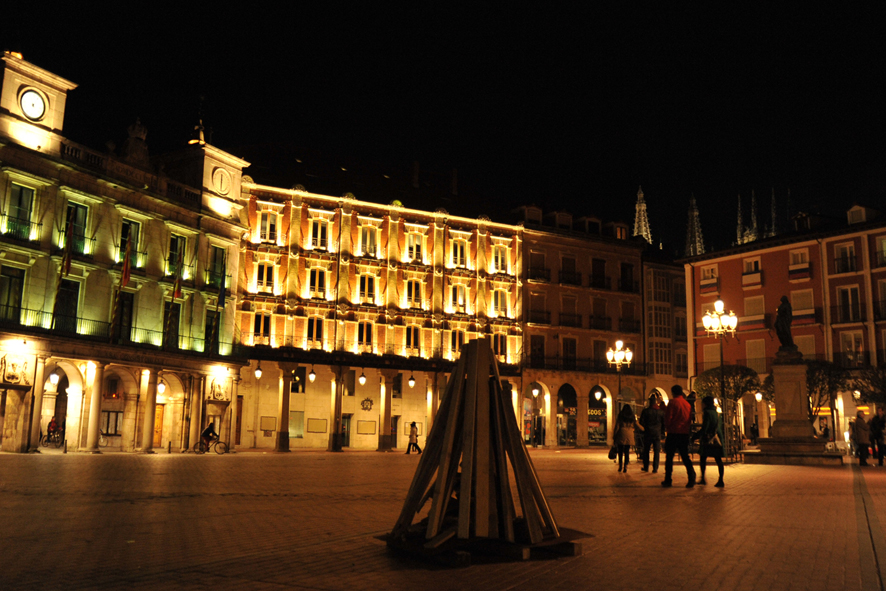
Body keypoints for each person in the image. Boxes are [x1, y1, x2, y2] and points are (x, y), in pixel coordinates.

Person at [662, 385, 696, 488]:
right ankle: (691, 476)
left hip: (673, 432)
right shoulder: (687, 404)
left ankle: (668, 479)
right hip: (684, 433)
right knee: (685, 456)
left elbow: (668, 418)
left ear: (673, 392)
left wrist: (667, 427)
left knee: (669, 458)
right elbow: (689, 419)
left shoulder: (672, 403)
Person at [692, 396, 725, 487]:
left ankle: (703, 478)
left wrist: (695, 436)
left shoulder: (707, 413)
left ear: (705, 403)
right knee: (718, 460)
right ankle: (721, 479)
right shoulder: (717, 413)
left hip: (709, 438)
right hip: (717, 438)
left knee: (703, 458)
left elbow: (705, 427)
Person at [639, 393, 665, 473]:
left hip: (648, 432)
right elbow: (663, 423)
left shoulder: (646, 411)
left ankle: (646, 466)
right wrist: (662, 433)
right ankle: (655, 468)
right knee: (656, 451)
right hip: (657, 433)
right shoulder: (661, 412)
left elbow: (641, 422)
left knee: (646, 450)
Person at [614, 405, 643, 473]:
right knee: (627, 452)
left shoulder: (620, 416)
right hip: (629, 434)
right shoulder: (632, 417)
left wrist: (614, 435)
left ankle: (620, 466)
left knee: (620, 452)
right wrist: (643, 428)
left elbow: (617, 426)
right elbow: (637, 424)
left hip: (621, 433)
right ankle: (626, 466)